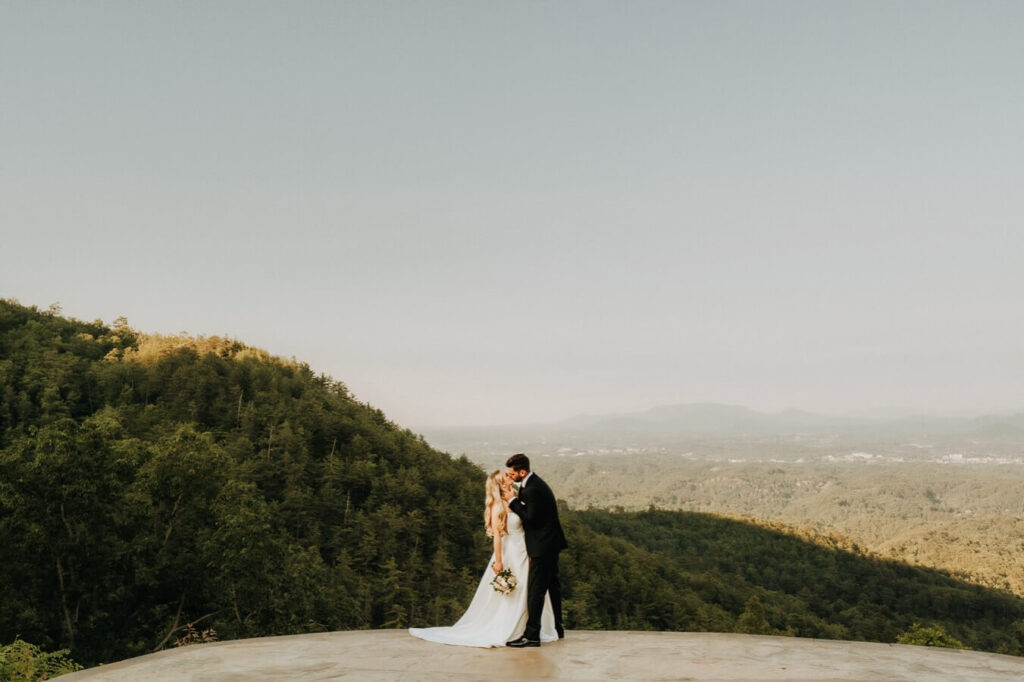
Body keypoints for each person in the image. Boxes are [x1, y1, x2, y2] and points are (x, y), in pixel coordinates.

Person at [408, 469, 558, 647]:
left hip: (525, 550)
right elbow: (497, 536)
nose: (510, 477)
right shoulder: (497, 506)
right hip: (510, 552)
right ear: (500, 484)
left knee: (530, 589)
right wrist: (499, 561)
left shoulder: (516, 498)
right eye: (506, 477)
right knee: (515, 591)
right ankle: (511, 628)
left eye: (510, 475)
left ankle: (529, 629)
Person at [503, 453, 567, 648]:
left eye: (512, 473)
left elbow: (531, 519)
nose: (510, 476)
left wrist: (513, 502)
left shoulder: (532, 489)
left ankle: (532, 636)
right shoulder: (531, 484)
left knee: (536, 590)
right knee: (552, 587)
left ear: (522, 472)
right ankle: (557, 628)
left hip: (543, 545)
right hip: (550, 543)